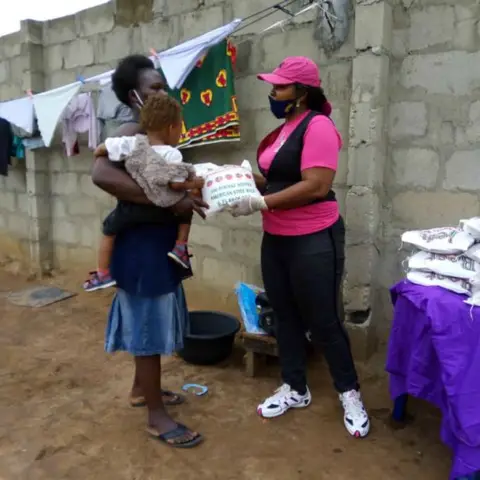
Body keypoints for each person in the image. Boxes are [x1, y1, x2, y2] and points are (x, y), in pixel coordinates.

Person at [229, 56, 370, 438]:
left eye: (280, 87)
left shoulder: (318, 126)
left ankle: (349, 392)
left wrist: (261, 202)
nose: (272, 93)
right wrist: (237, 180)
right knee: (285, 314)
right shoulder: (283, 131)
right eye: (273, 86)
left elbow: (316, 185)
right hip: (276, 238)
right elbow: (277, 178)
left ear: (301, 92)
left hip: (313, 237)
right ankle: (295, 387)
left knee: (323, 320)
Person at [91, 54, 207, 447]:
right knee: (147, 328)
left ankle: (143, 391)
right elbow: (100, 173)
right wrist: (167, 202)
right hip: (140, 247)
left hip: (154, 243)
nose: (161, 92)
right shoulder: (131, 130)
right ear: (133, 95)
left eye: (162, 85)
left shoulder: (156, 132)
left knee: (152, 318)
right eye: (153, 88)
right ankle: (156, 417)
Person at [86, 93, 204, 290]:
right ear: (171, 128)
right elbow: (174, 185)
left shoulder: (132, 143)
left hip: (131, 207)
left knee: (109, 230)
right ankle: (181, 247)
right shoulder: (172, 154)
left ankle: (102, 273)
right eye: (180, 128)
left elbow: (101, 149)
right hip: (162, 210)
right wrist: (192, 184)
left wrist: (103, 154)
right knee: (186, 211)